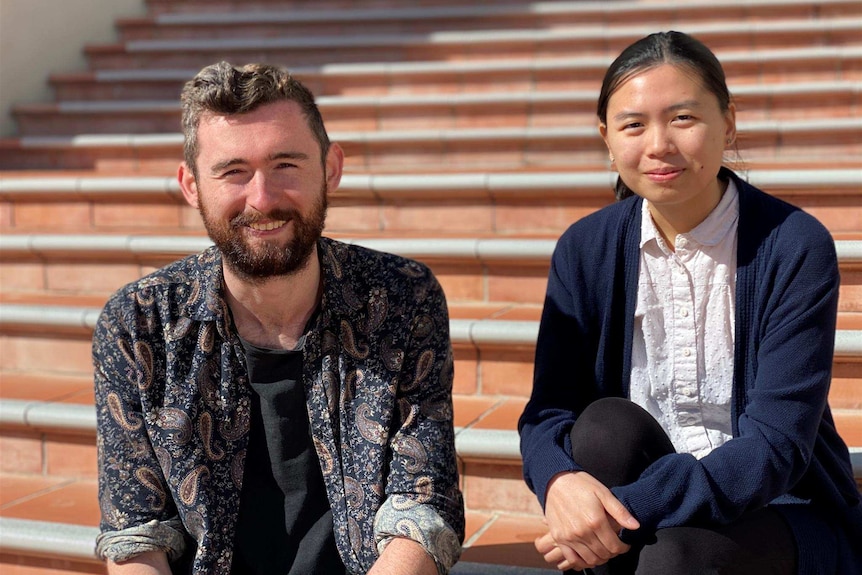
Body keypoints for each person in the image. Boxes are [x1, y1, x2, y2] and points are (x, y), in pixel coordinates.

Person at [93, 61, 464, 575]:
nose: (262, 199)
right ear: (192, 185)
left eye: (286, 165)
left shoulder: (401, 299)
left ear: (331, 167)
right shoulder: (139, 323)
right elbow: (136, 534)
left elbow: (421, 508)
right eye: (233, 172)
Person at [518, 31, 862, 574]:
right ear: (606, 137)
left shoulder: (794, 244)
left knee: (674, 556)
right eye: (633, 124)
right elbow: (547, 413)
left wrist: (623, 509)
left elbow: (777, 446)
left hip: (778, 504)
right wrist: (559, 481)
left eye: (683, 118)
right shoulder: (585, 248)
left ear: (727, 124)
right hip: (639, 492)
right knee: (603, 428)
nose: (658, 145)